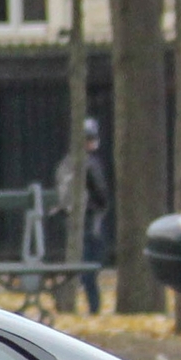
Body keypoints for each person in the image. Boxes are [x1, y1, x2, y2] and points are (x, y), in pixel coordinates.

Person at [55, 118, 112, 312]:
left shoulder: (66, 163)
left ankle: (74, 303)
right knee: (90, 266)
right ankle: (94, 307)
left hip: (70, 220)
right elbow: (101, 194)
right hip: (90, 221)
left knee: (80, 264)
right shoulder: (89, 164)